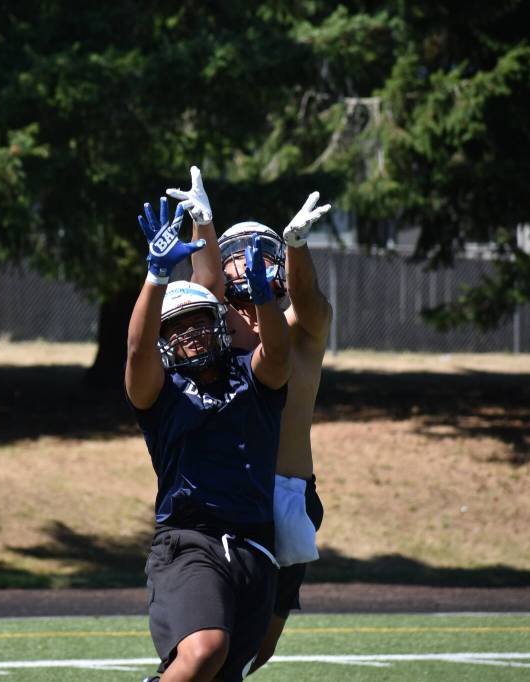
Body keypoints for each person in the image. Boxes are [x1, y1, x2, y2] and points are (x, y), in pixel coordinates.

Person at [168, 167, 332, 673]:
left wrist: (297, 245)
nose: (253, 263)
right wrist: (206, 227)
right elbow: (206, 285)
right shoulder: (226, 329)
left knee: (257, 651)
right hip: (238, 496)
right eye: (246, 253)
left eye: (267, 253)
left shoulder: (298, 330)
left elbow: (309, 301)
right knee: (216, 645)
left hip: (292, 494)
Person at [126, 194, 292, 682]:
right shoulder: (163, 393)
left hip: (255, 549)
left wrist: (264, 299)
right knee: (204, 651)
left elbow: (279, 354)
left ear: (221, 324)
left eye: (199, 321)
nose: (190, 335)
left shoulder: (252, 378)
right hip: (189, 540)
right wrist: (156, 276)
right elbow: (136, 351)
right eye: (176, 329)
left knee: (221, 673)